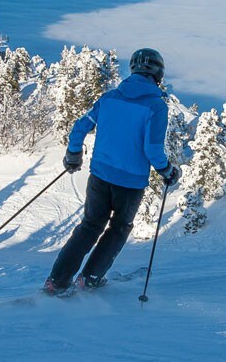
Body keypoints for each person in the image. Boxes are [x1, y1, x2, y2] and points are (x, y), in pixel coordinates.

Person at [43, 48, 180, 294]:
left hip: (100, 176)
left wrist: (74, 154)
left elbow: (79, 126)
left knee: (89, 226)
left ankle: (56, 281)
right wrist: (167, 171)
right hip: (130, 183)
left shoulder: (109, 98)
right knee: (118, 228)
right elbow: (152, 150)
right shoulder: (156, 107)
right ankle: (90, 278)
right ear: (158, 73)